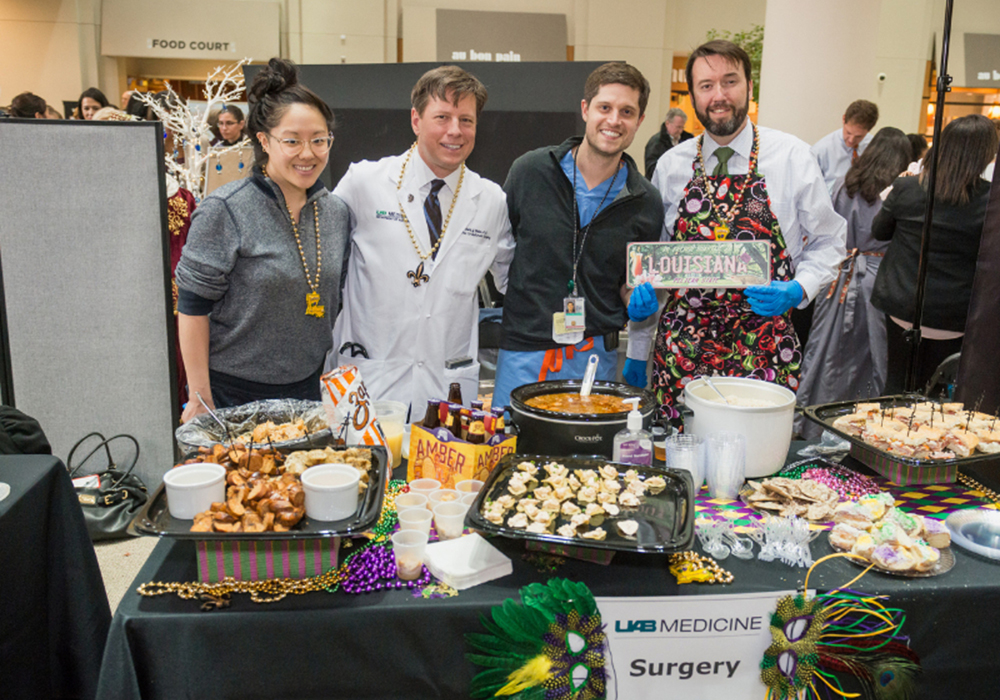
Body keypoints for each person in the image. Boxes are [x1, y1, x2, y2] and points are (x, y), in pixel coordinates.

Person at [627, 40, 846, 425]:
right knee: (683, 464)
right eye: (706, 85)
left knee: (757, 472)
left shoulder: (792, 157)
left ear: (749, 87)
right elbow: (657, 261)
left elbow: (831, 240)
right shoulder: (670, 166)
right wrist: (638, 337)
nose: (719, 96)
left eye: (730, 82)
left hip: (763, 349)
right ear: (693, 94)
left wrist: (799, 287)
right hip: (682, 353)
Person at [327, 65, 515, 415]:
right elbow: (320, 265)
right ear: (416, 120)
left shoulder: (491, 201)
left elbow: (515, 283)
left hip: (447, 386)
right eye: (442, 117)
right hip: (368, 378)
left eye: (467, 120)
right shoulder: (364, 183)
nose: (455, 131)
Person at [175, 57, 350, 421]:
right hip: (232, 393)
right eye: (292, 141)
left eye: (319, 140)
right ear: (264, 141)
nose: (308, 153)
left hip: (308, 389)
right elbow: (192, 309)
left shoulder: (336, 213)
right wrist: (200, 395)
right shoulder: (226, 209)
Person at [491, 62, 664, 409]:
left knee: (584, 460)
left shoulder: (645, 201)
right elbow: (500, 250)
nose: (614, 120)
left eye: (627, 112)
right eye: (605, 107)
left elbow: (628, 284)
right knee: (511, 452)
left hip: (594, 358)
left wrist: (639, 299)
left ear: (640, 121)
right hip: (523, 350)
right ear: (585, 110)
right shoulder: (531, 171)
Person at [795, 127, 912, 438]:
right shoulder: (900, 189)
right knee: (871, 357)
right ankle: (864, 431)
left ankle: (811, 422)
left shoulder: (847, 183)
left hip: (839, 275)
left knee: (824, 352)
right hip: (877, 278)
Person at [871, 114, 998, 394]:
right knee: (937, 392)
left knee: (897, 383)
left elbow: (879, 231)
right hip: (954, 315)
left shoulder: (908, 188)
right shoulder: (990, 201)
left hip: (903, 303)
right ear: (986, 154)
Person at [811, 99, 879, 192]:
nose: (851, 140)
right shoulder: (821, 150)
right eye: (848, 132)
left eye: (858, 136)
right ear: (843, 119)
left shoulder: (872, 145)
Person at [644, 107, 692, 178]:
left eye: (682, 127)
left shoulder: (688, 140)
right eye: (678, 127)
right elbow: (651, 170)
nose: (680, 131)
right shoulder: (656, 143)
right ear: (667, 124)